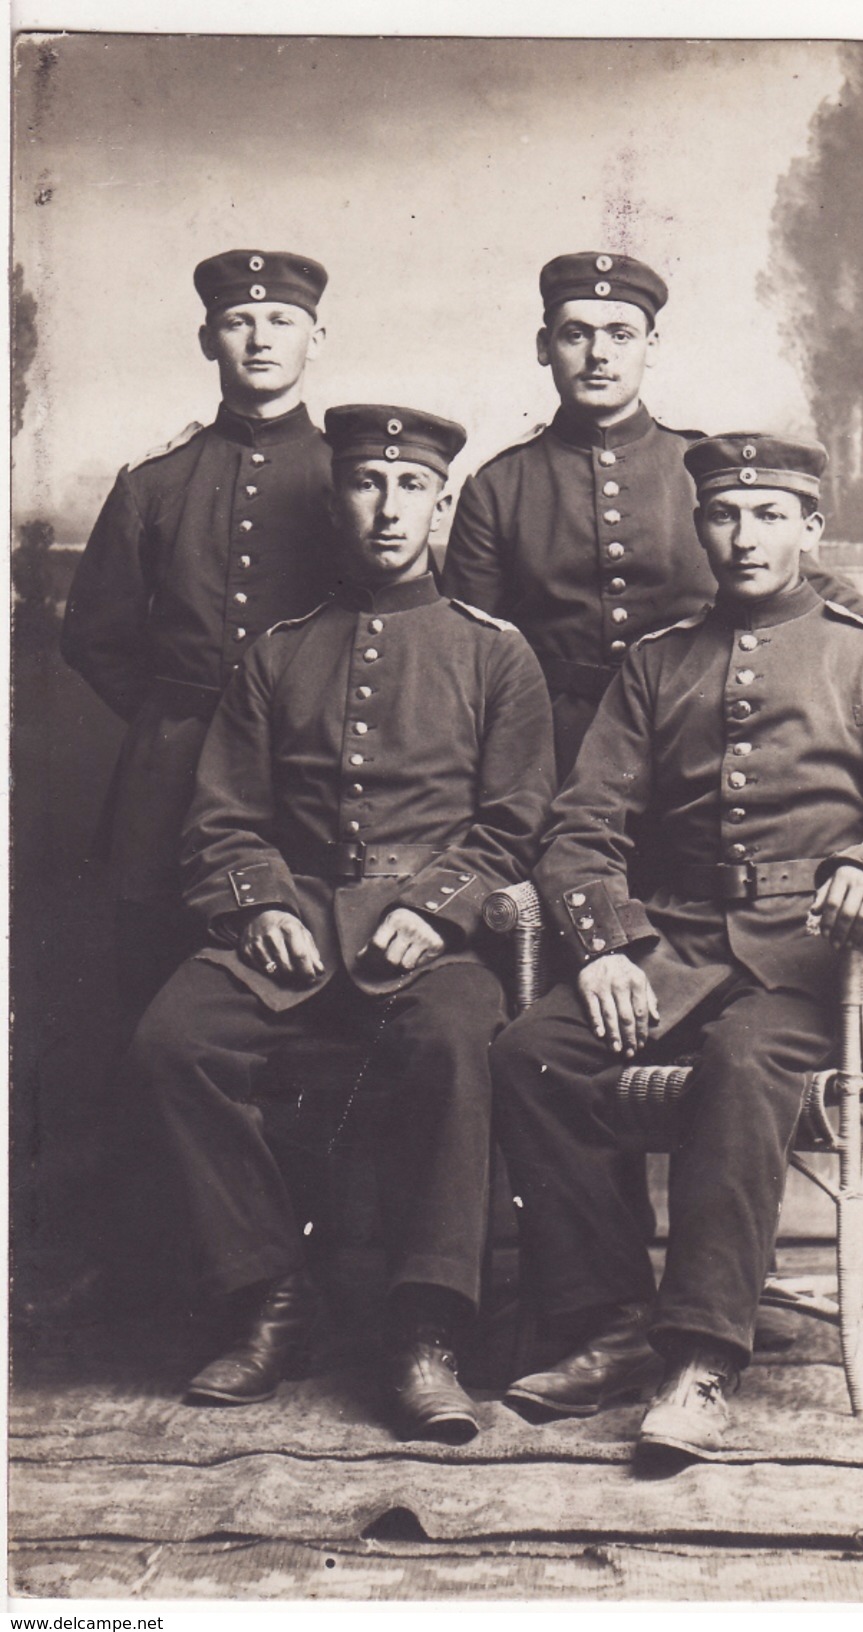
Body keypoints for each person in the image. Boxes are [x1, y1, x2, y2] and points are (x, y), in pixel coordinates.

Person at [490, 432, 863, 1464]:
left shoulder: (860, 658)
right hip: (671, 944)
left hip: (810, 960)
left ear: (809, 530)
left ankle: (701, 1359)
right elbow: (584, 824)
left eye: (768, 515)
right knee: (531, 1051)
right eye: (723, 514)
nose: (743, 535)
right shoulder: (656, 662)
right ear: (699, 527)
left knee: (744, 1059)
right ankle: (613, 1321)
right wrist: (602, 945)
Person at [120, 405, 555, 1440]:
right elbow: (223, 817)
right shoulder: (279, 653)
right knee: (171, 1041)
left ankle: (425, 1329)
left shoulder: (495, 654)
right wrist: (261, 901)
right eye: (366, 484)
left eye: (410, 487)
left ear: (442, 504)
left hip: (429, 939)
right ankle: (272, 1298)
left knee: (457, 1042)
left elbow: (513, 823)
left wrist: (438, 909)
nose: (386, 509)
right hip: (297, 920)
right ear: (338, 499)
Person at [442, 250, 863, 782]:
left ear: (652, 348)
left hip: (700, 737)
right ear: (544, 347)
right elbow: (469, 647)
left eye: (621, 335)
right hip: (554, 751)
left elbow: (792, 571)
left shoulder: (700, 466)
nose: (599, 354)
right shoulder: (497, 485)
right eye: (575, 334)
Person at [61, 249, 334, 1016]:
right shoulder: (155, 481)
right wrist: (172, 718)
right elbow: (94, 635)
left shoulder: (347, 480)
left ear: (318, 337)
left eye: (282, 320)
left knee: (304, 983)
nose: (260, 338)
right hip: (170, 772)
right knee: (152, 983)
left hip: (306, 766)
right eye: (237, 321)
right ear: (207, 338)